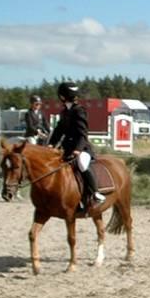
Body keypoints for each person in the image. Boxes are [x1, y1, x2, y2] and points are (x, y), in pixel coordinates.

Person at [47, 81, 105, 209]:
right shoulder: (65, 112)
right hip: (67, 148)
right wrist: (51, 144)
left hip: (81, 148)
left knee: (82, 164)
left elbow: (83, 133)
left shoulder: (79, 111)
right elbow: (58, 130)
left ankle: (95, 193)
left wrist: (78, 150)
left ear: (62, 96)